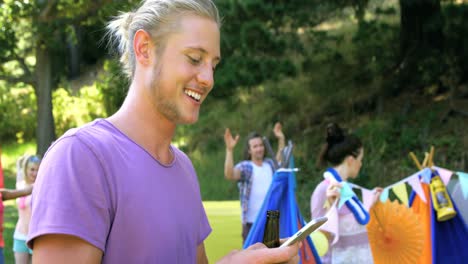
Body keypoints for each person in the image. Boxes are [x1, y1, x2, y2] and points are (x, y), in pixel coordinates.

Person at [27, 0, 301, 263]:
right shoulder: (80, 157)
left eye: (213, 65)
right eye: (195, 59)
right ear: (144, 48)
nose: (208, 78)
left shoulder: (183, 168)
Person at [310, 123, 382, 263]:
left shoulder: (347, 190)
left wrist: (370, 203)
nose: (361, 164)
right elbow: (317, 238)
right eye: (360, 160)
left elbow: (354, 223)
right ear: (350, 160)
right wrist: (331, 208)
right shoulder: (323, 190)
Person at [224, 122, 285, 243]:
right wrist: (229, 150)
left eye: (261, 145)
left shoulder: (270, 164)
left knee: (272, 257)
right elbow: (229, 174)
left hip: (271, 219)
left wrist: (281, 138)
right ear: (249, 150)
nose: (259, 148)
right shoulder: (247, 167)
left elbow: (280, 160)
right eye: (255, 146)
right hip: (251, 222)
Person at [13, 155, 40, 264]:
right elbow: (19, 167)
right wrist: (23, 159)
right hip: (20, 235)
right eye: (32, 169)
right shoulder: (20, 185)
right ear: (26, 170)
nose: (35, 173)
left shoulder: (41, 186)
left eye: (38, 170)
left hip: (35, 236)